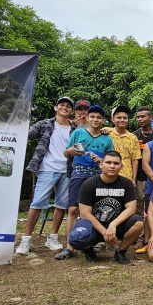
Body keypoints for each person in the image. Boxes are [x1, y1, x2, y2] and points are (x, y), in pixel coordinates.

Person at [16, 97, 76, 255]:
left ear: (71, 111)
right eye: (61, 105)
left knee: (61, 205)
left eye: (68, 106)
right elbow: (26, 135)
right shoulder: (44, 124)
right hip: (47, 168)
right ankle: (26, 239)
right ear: (55, 107)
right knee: (37, 203)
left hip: (68, 169)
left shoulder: (75, 129)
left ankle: (53, 237)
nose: (64, 108)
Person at [57, 105, 114, 260]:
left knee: (96, 211)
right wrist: (72, 151)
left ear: (103, 120)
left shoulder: (107, 139)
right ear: (87, 118)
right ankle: (70, 247)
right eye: (92, 117)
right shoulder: (78, 132)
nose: (95, 120)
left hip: (97, 177)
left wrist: (101, 160)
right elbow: (66, 152)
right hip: (79, 175)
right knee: (73, 210)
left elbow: (111, 162)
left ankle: (92, 245)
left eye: (99, 117)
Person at [68, 151, 143, 264]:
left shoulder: (126, 184)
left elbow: (131, 208)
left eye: (116, 163)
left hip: (116, 225)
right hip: (94, 225)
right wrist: (104, 232)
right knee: (79, 235)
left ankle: (120, 252)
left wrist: (113, 225)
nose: (112, 166)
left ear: (121, 166)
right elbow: (84, 214)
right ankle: (89, 252)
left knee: (138, 222)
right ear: (101, 164)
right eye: (108, 162)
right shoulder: (89, 184)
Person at [105, 105, 141, 187]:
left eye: (125, 118)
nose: (122, 120)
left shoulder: (133, 137)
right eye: (119, 117)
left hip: (127, 177)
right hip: (108, 175)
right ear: (113, 119)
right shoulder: (107, 133)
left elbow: (135, 160)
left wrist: (134, 180)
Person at [133, 107, 153, 219]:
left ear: (150, 117)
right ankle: (139, 233)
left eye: (143, 116)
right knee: (138, 205)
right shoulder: (134, 136)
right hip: (139, 176)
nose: (140, 119)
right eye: (138, 117)